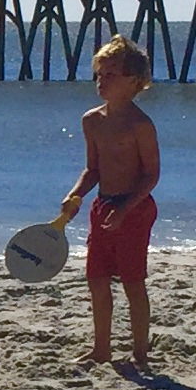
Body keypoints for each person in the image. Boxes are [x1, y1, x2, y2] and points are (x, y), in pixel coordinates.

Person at [56, 35, 160, 369]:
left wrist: (126, 209)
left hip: (135, 209)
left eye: (110, 75)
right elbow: (93, 169)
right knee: (97, 280)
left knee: (132, 283)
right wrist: (75, 194)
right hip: (102, 206)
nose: (101, 81)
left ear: (134, 81)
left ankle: (140, 353)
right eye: (99, 74)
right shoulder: (91, 120)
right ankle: (101, 349)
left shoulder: (141, 125)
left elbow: (151, 175)